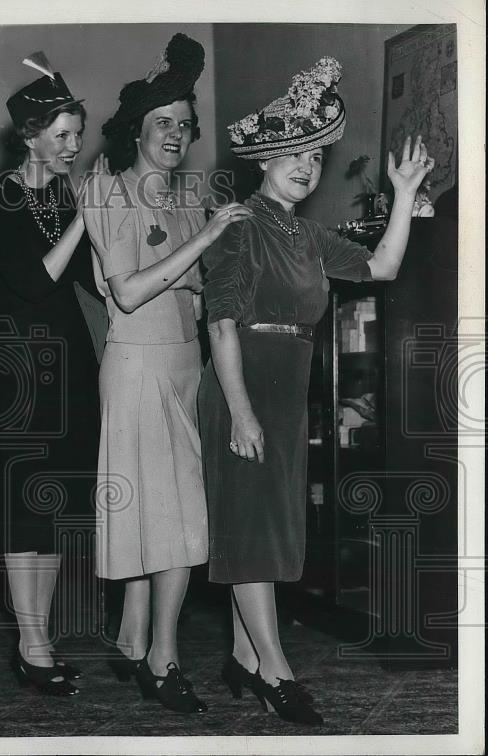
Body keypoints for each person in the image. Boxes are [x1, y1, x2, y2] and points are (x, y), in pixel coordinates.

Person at [200, 57, 433, 724]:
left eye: (313, 156)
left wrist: (403, 188)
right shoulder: (240, 222)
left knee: (268, 525)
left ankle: (245, 659)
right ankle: (278, 670)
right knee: (252, 528)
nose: (304, 166)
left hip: (288, 379)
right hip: (243, 381)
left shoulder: (306, 233)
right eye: (290, 155)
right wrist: (240, 413)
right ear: (262, 161)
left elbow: (383, 267)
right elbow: (219, 323)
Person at [82, 34, 251, 712]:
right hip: (137, 367)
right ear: (137, 130)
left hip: (185, 364)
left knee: (161, 512)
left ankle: (130, 641)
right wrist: (210, 238)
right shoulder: (110, 189)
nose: (177, 133)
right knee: (179, 519)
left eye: (185, 123)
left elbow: (200, 291)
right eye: (163, 123)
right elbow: (125, 291)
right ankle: (163, 657)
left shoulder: (185, 198)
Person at [0, 52, 104, 697]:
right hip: (28, 364)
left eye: (77, 134)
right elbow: (32, 281)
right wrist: (90, 216)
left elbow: (89, 281)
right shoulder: (3, 203)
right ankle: (31, 642)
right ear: (30, 137)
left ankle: (40, 636)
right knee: (29, 505)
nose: (74, 146)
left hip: (72, 358)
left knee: (55, 505)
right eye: (62, 136)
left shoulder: (57, 196)